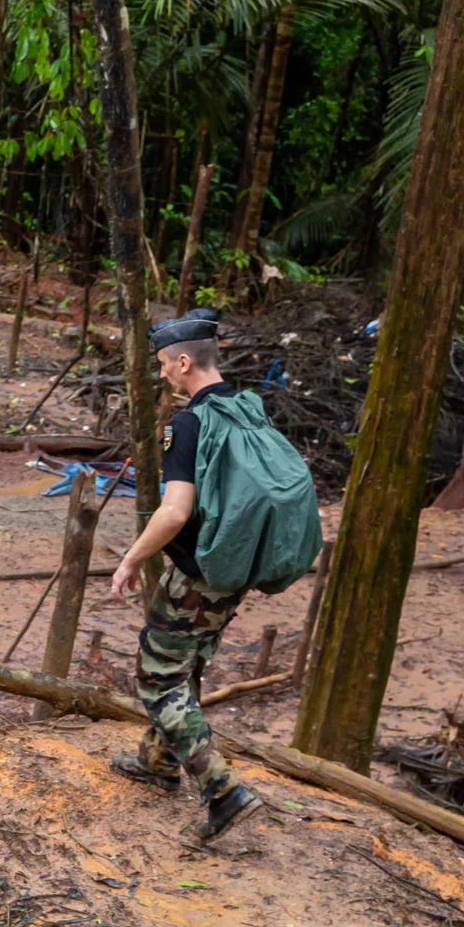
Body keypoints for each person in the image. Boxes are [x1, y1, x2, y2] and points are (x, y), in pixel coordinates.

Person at [108, 308, 268, 842]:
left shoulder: (190, 423)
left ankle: (224, 791)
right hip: (236, 565)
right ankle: (158, 762)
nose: (161, 376)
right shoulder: (249, 411)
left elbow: (175, 511)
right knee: (186, 660)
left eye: (162, 366)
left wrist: (131, 558)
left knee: (157, 678)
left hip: (198, 570)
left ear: (182, 362)